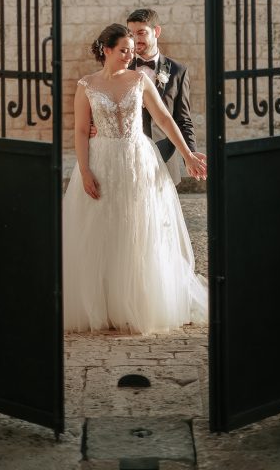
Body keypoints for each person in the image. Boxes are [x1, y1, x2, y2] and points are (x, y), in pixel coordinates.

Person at [63, 23, 208, 334]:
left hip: (137, 159)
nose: (130, 55)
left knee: (139, 227)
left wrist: (187, 154)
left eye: (132, 50)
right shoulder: (86, 86)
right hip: (101, 160)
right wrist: (85, 170)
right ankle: (107, 304)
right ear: (107, 50)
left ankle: (139, 301)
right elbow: (78, 130)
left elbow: (164, 118)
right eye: (124, 50)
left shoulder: (140, 80)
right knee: (103, 229)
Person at [126, 7, 197, 187]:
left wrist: (191, 155)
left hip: (164, 156)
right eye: (131, 34)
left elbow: (183, 119)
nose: (135, 39)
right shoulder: (122, 67)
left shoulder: (178, 71)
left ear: (156, 31)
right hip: (128, 155)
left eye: (141, 33)